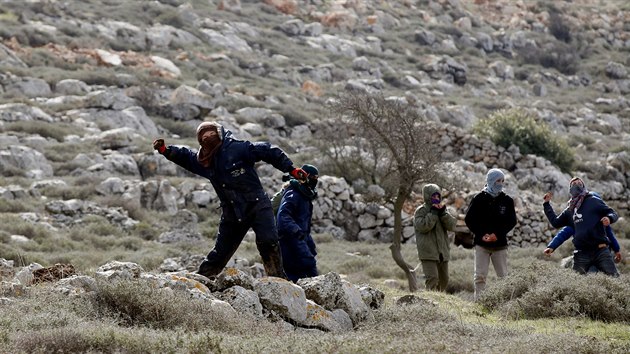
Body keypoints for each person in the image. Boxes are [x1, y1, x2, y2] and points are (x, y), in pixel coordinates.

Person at [153, 121, 308, 279]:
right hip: (232, 212)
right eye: (203, 137)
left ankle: (278, 282)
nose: (208, 137)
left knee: (269, 242)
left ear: (219, 133)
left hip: (258, 205)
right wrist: (166, 150)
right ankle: (201, 282)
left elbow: (268, 151)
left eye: (211, 134)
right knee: (220, 253)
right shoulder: (204, 161)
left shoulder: (238, 148)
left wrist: (291, 169)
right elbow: (185, 156)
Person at [542, 177, 619, 276]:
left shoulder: (593, 201)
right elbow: (556, 223)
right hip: (581, 254)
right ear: (570, 190)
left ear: (584, 186)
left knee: (613, 278)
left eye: (579, 183)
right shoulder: (569, 210)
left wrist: (609, 218)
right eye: (573, 184)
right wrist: (546, 204)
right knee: (577, 282)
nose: (576, 185)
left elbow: (612, 213)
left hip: (601, 251)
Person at [464, 168, 517, 300]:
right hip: (481, 245)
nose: (500, 183)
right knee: (480, 276)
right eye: (498, 180)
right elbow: (469, 219)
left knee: (503, 276)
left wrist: (497, 235)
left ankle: (505, 304)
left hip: (500, 245)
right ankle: (480, 304)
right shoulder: (478, 198)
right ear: (491, 180)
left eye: (502, 181)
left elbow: (511, 221)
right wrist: (481, 234)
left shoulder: (507, 200)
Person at [276, 164, 320, 282]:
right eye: (314, 178)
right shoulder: (294, 193)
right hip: (289, 241)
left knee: (307, 269)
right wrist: (297, 232)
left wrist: (309, 243)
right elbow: (283, 216)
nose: (315, 181)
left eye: (317, 178)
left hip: (299, 239)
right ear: (306, 176)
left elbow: (303, 222)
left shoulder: (304, 194)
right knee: (307, 269)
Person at [413, 183, 457, 291]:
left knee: (444, 279)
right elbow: (423, 227)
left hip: (442, 251)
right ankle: (431, 301)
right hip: (428, 252)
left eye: (438, 196)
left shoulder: (442, 209)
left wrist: (443, 214)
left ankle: (440, 300)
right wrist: (433, 214)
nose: (436, 199)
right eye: (433, 196)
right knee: (432, 278)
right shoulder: (421, 211)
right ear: (427, 196)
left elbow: (452, 226)